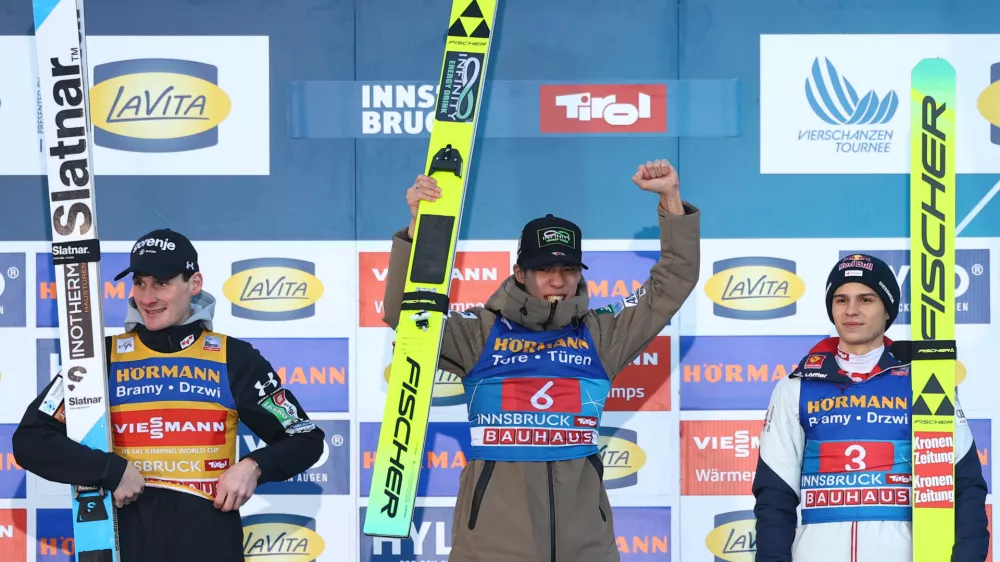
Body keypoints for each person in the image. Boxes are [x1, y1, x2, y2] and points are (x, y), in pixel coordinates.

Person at [381, 159, 700, 561]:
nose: (557, 279)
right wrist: (418, 231)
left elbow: (671, 285)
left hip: (585, 544)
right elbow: (406, 316)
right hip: (492, 545)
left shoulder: (601, 336)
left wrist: (670, 198)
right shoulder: (479, 332)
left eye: (567, 269)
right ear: (519, 273)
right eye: (544, 269)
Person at [13, 229, 325, 562]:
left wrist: (254, 465)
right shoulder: (100, 360)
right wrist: (108, 470)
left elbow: (305, 438)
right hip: (120, 549)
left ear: (194, 283)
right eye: (140, 282)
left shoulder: (233, 358)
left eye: (161, 283)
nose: (146, 298)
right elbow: (31, 440)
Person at [752, 253, 990, 562]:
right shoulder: (795, 387)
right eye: (840, 300)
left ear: (887, 309)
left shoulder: (923, 381)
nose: (851, 310)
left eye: (866, 299)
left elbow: (966, 486)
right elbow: (775, 496)